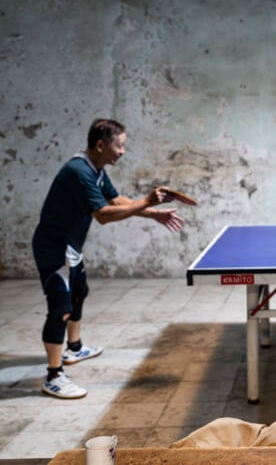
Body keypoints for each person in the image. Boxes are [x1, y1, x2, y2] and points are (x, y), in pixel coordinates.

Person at [32, 118, 185, 399]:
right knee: (60, 308)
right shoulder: (79, 172)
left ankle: (74, 348)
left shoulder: (96, 169)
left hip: (71, 247)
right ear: (101, 145)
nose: (123, 151)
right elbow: (103, 215)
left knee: (80, 292)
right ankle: (53, 376)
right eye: (120, 145)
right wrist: (149, 202)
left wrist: (154, 214)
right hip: (54, 250)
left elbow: (116, 202)